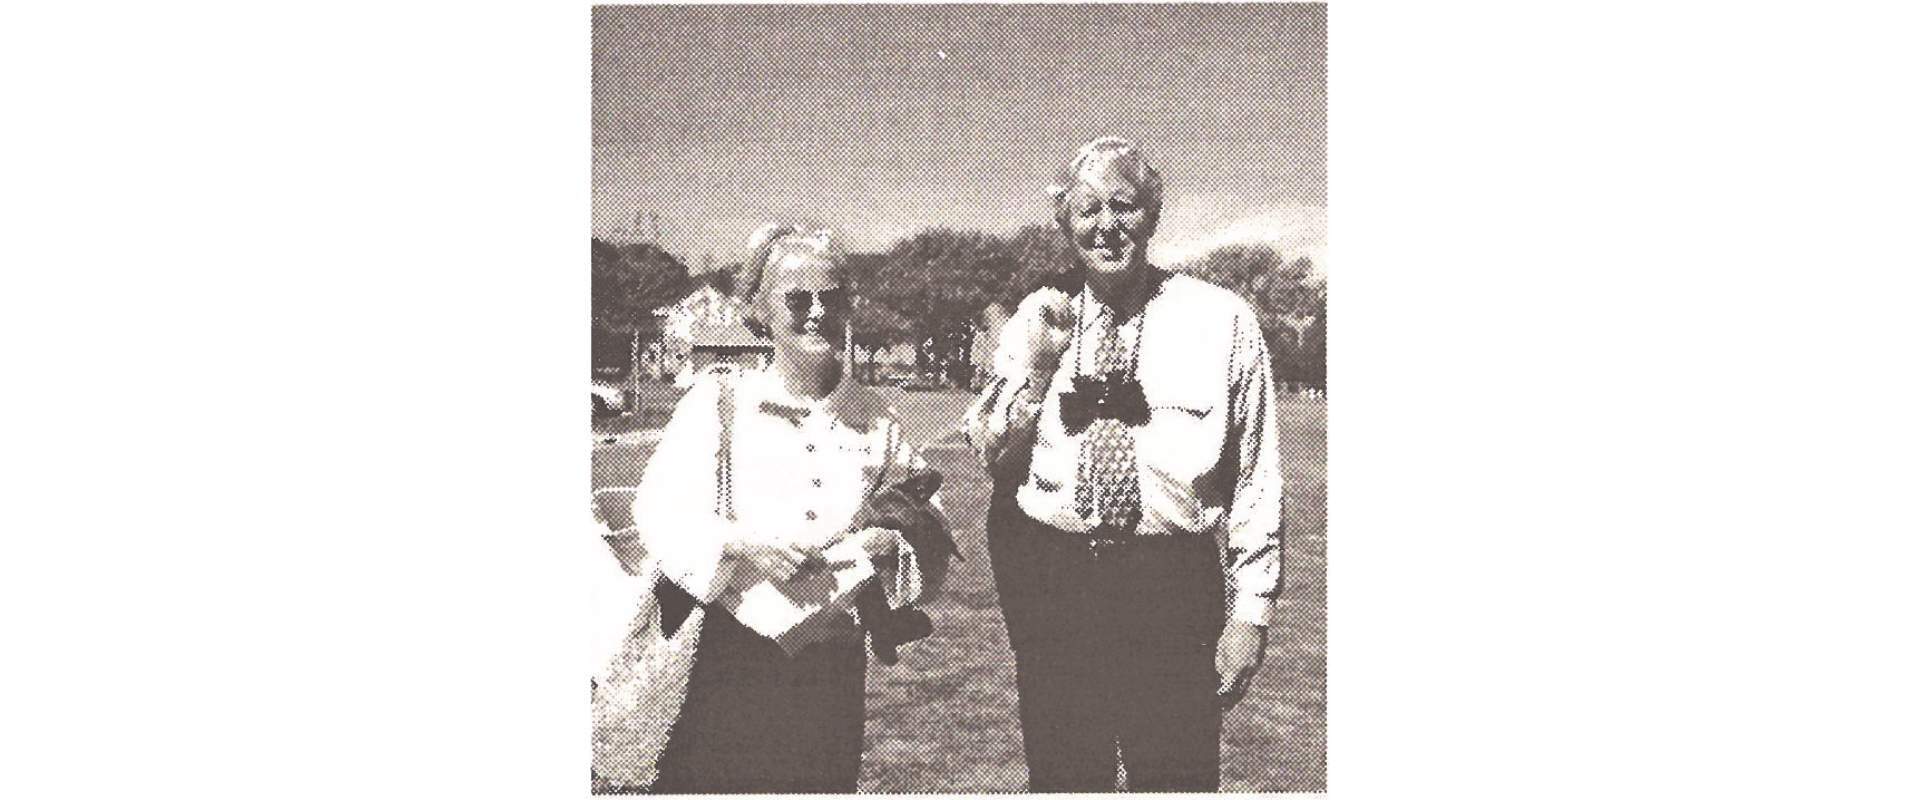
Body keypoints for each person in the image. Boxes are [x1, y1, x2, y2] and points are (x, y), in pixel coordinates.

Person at [965, 137, 1285, 792]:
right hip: (1057, 582)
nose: (1106, 226)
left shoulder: (1221, 321)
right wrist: (1040, 371)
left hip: (1169, 585)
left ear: (1153, 214)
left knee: (1175, 778)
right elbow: (993, 454)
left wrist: (1250, 613)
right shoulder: (1039, 316)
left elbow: (1255, 475)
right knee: (1064, 778)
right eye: (1087, 211)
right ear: (1066, 225)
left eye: (1124, 206)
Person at [606, 223, 949, 793]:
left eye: (832, 298)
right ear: (760, 309)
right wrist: (739, 544)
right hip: (727, 659)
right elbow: (657, 511)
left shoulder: (877, 417)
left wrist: (892, 545)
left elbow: (927, 519)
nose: (817, 312)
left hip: (832, 670)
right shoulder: (718, 402)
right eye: (797, 298)